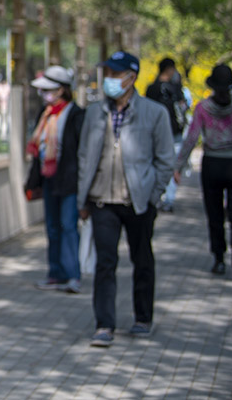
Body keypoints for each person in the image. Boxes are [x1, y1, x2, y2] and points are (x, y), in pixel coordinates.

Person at [77, 51, 174, 347]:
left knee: (142, 259)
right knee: (105, 263)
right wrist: (83, 199)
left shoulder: (155, 112)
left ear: (132, 77)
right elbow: (84, 156)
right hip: (102, 201)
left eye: (116, 74)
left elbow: (165, 160)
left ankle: (142, 317)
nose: (110, 80)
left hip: (139, 202)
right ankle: (104, 324)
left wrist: (153, 194)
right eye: (107, 73)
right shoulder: (95, 112)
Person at [173, 64, 232, 280]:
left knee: (215, 214)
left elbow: (192, 138)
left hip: (212, 164)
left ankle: (219, 259)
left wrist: (178, 166)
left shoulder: (203, 108)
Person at [27, 66, 85, 293]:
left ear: (62, 90)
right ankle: (56, 273)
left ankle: (73, 275)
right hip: (49, 179)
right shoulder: (45, 114)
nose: (44, 95)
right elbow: (38, 149)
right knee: (52, 227)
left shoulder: (76, 114)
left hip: (69, 180)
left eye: (48, 90)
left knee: (68, 226)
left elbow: (80, 150)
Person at [145, 57, 188, 212]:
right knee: (169, 165)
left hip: (163, 133)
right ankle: (165, 198)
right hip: (169, 133)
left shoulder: (153, 88)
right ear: (169, 69)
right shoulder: (173, 89)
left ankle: (164, 197)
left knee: (163, 164)